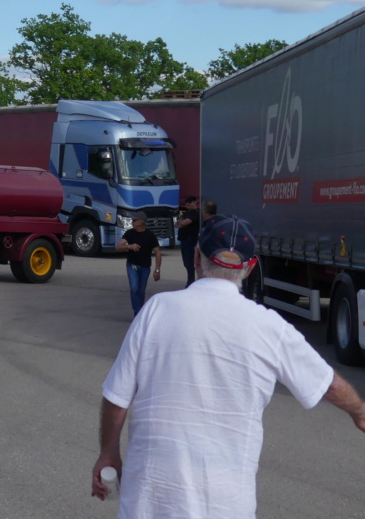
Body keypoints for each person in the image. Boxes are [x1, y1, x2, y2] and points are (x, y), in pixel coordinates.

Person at [91, 215, 365, 518]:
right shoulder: (269, 327)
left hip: (149, 502)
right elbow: (328, 383)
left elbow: (117, 397)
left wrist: (108, 453)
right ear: (249, 268)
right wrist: (359, 411)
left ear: (197, 257)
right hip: (225, 506)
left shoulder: (156, 310)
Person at [115, 212, 161, 315]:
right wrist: (129, 246)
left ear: (142, 222)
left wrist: (157, 270)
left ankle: (140, 312)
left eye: (135, 220)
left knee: (141, 291)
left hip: (145, 266)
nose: (132, 222)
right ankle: (137, 312)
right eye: (132, 220)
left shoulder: (150, 235)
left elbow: (157, 252)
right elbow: (118, 247)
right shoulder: (130, 233)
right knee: (134, 288)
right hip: (132, 265)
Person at [174, 195, 200, 287]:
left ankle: (191, 282)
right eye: (187, 203)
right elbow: (177, 224)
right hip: (185, 240)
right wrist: (180, 223)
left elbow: (184, 223)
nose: (188, 205)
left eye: (190, 202)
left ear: (194, 203)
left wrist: (181, 223)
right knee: (186, 262)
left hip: (190, 240)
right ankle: (191, 280)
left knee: (190, 262)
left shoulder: (195, 213)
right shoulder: (186, 213)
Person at [193, 199, 218, 267]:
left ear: (204, 211)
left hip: (207, 259)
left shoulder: (207, 226)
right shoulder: (218, 223)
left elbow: (200, 244)